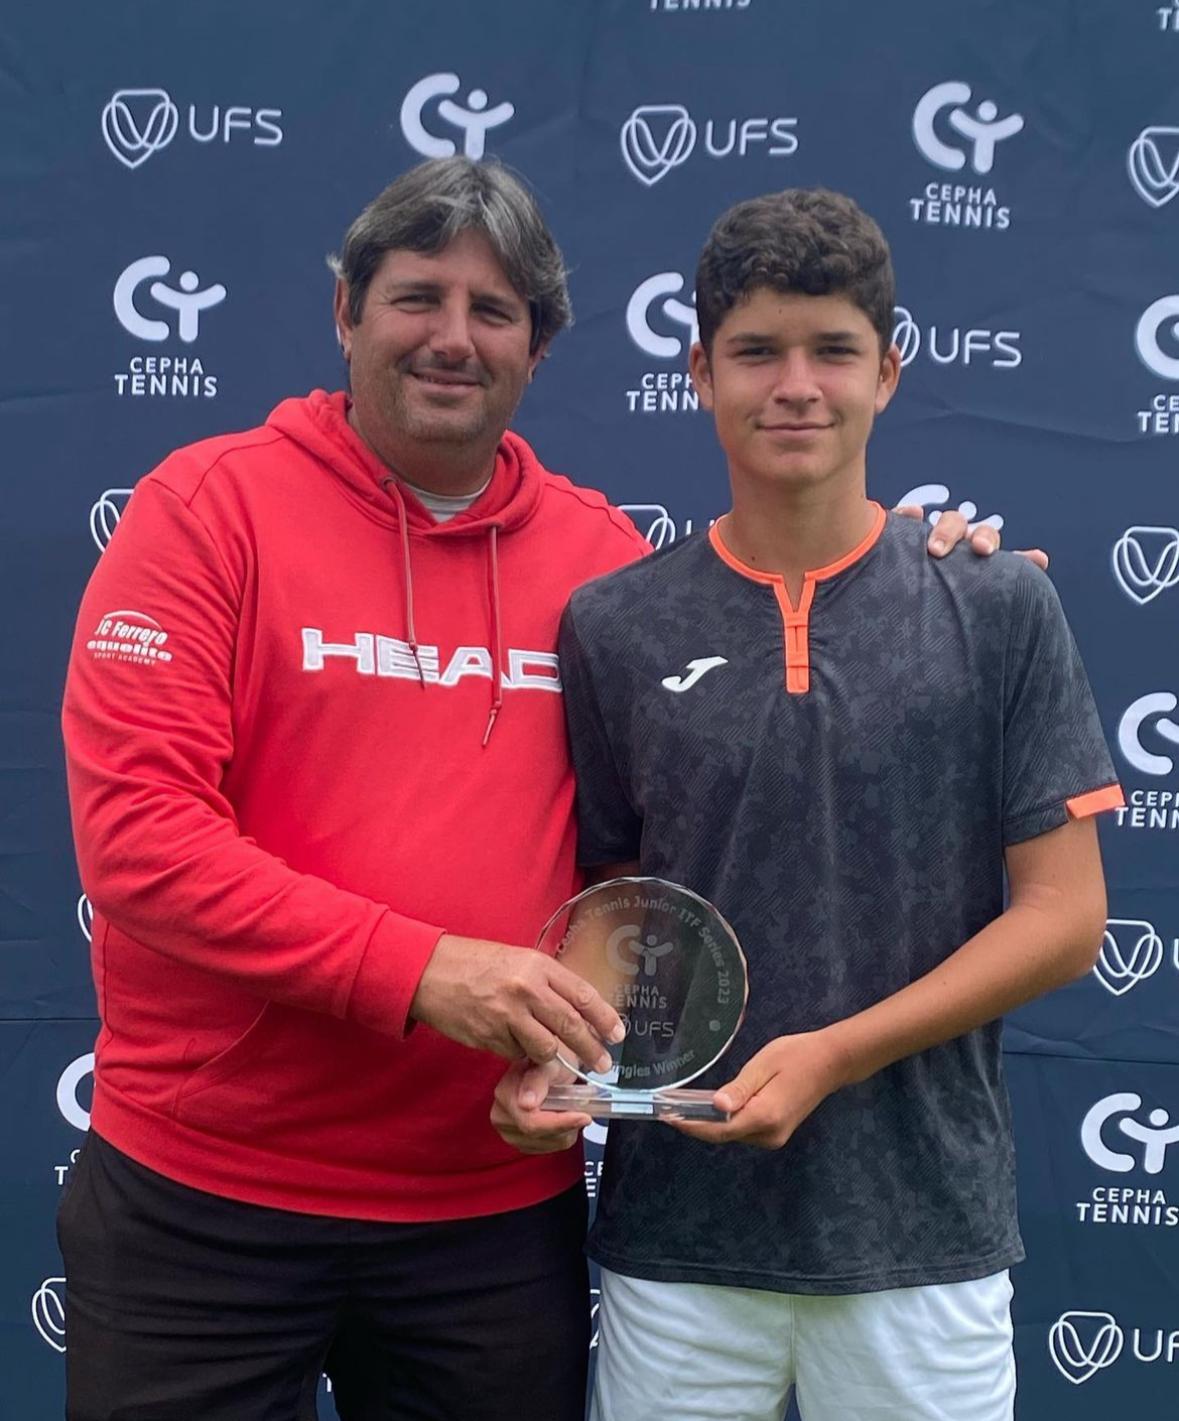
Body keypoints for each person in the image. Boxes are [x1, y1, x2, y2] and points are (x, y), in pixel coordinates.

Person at [61, 157, 1016, 1421]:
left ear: (540, 346)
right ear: (345, 310)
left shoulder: (605, 567)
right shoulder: (204, 510)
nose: (453, 336)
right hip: (208, 1196)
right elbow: (139, 839)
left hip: (490, 1209)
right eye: (418, 297)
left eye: (494, 310)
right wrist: (421, 969)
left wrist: (930, 570)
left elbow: (637, 874)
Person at [493, 188, 1122, 1421]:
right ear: (698, 372)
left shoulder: (998, 603)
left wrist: (834, 1054)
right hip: (679, 1240)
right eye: (756, 352)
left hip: (922, 1241)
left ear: (888, 370)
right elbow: (616, 920)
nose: (795, 386)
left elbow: (1066, 918)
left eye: (832, 350)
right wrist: (558, 1066)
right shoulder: (613, 624)